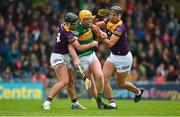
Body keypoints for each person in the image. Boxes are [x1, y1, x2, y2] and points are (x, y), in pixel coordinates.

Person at [41, 12, 98, 110]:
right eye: (73, 24)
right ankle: (46, 102)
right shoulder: (67, 34)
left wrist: (90, 20)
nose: (75, 25)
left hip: (65, 57)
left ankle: (75, 103)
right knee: (64, 81)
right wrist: (92, 44)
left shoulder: (63, 25)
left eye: (76, 23)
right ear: (68, 23)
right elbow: (79, 47)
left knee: (71, 81)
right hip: (58, 57)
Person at [95, 6, 144, 109]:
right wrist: (91, 23)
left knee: (121, 84)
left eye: (113, 15)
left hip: (123, 58)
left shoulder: (119, 27)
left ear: (119, 16)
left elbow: (110, 44)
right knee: (104, 78)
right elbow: (98, 25)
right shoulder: (109, 20)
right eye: (110, 14)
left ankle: (138, 91)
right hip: (113, 56)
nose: (111, 16)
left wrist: (101, 35)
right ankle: (112, 103)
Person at [73, 10, 107, 109]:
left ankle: (99, 98)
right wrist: (92, 44)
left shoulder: (89, 23)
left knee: (100, 75)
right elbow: (77, 47)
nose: (89, 21)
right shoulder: (76, 30)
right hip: (81, 59)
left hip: (91, 55)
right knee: (90, 84)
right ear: (81, 19)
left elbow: (94, 26)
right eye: (87, 19)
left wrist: (101, 32)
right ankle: (99, 102)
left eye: (90, 18)